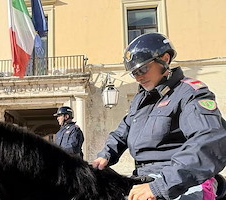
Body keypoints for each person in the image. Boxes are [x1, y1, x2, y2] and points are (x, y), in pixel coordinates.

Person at [92, 33, 226, 200]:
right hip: (144, 179)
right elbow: (123, 131)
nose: (138, 76)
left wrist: (160, 186)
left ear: (165, 59)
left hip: (181, 181)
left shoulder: (188, 93)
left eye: (142, 69)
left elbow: (210, 140)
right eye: (134, 73)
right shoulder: (141, 100)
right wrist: (105, 155)